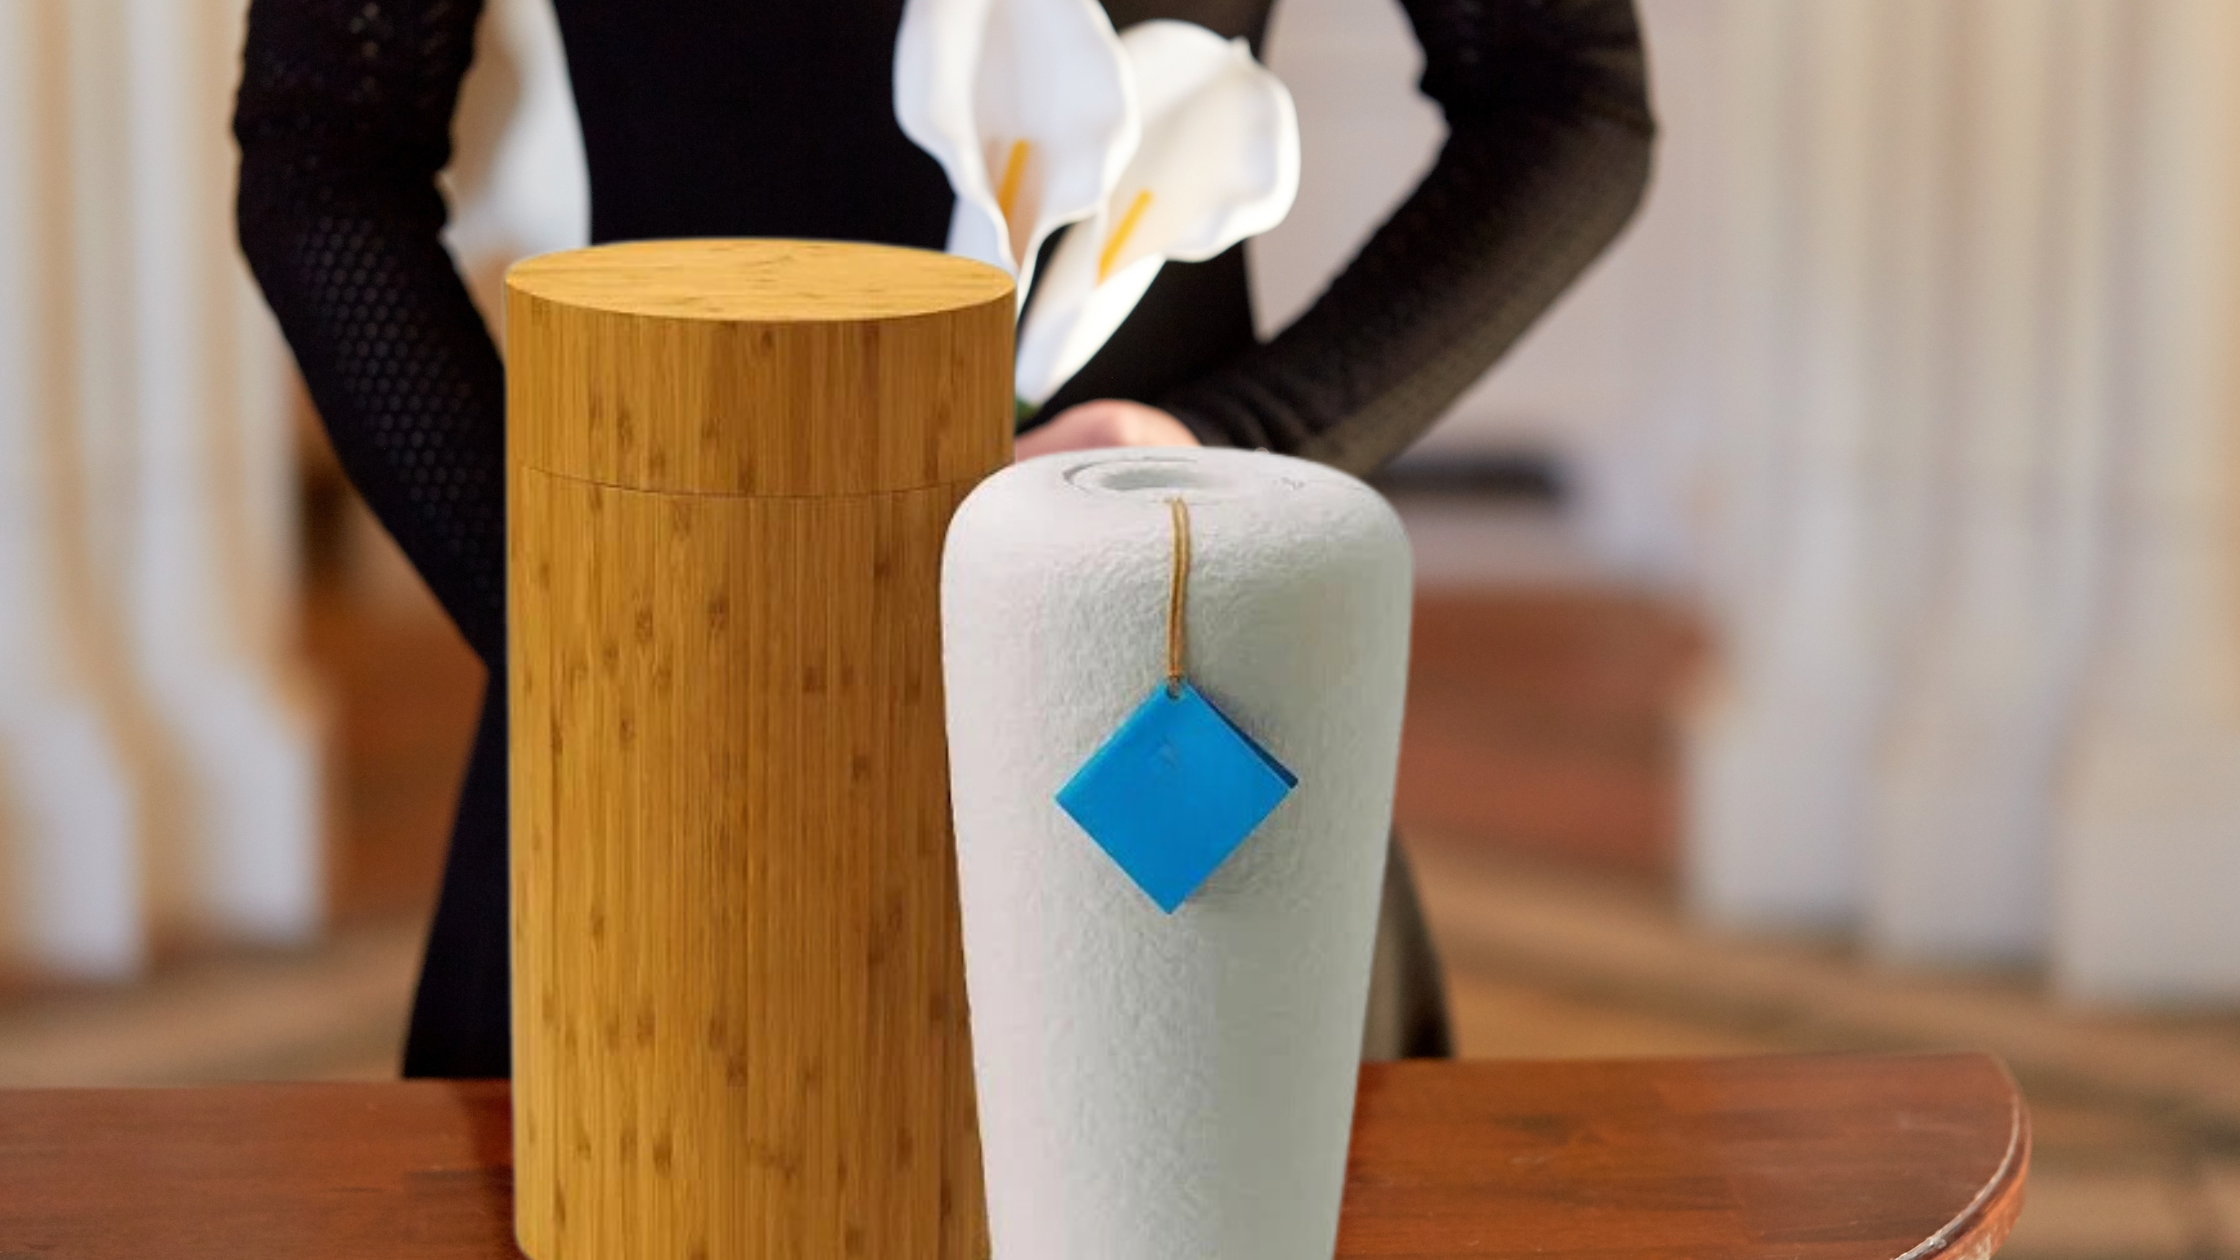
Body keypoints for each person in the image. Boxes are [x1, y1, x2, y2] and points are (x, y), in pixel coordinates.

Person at [235, 0, 1655, 1078]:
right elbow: (325, 148)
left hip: (1157, 652)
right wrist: (588, 621)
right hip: (660, 708)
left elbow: (1562, 96)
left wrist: (1242, 442)